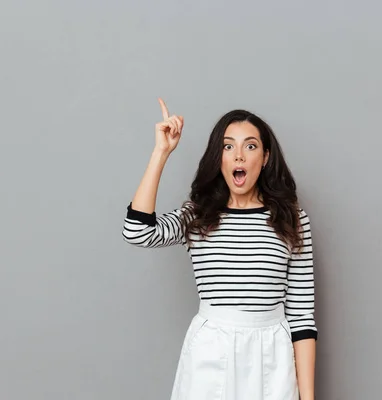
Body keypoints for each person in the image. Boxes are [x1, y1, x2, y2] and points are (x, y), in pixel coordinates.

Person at [122, 98, 317, 400]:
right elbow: (137, 231)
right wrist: (161, 152)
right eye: (228, 147)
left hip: (273, 358)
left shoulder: (291, 218)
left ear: (265, 157)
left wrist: (308, 398)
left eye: (250, 146)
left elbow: (302, 318)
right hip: (211, 352)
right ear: (219, 158)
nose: (239, 155)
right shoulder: (198, 214)